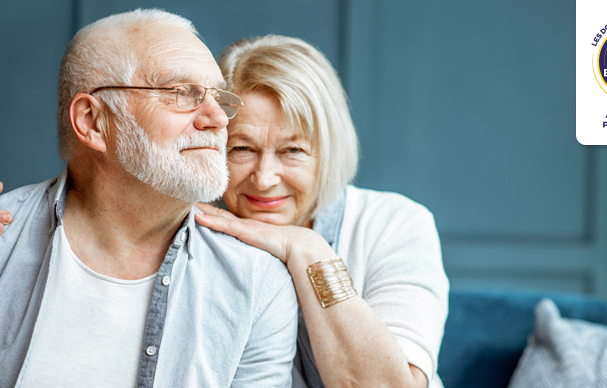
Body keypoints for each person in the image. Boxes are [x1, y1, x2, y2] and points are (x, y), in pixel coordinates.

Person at [0, 10, 297, 387]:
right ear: (93, 122)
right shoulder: (4, 238)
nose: (218, 119)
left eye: (219, 97)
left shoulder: (257, 285)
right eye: (181, 93)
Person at [195, 35, 449, 387]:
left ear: (328, 150)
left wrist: (307, 250)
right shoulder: (194, 230)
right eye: (242, 148)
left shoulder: (395, 224)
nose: (265, 179)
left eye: (293, 151)